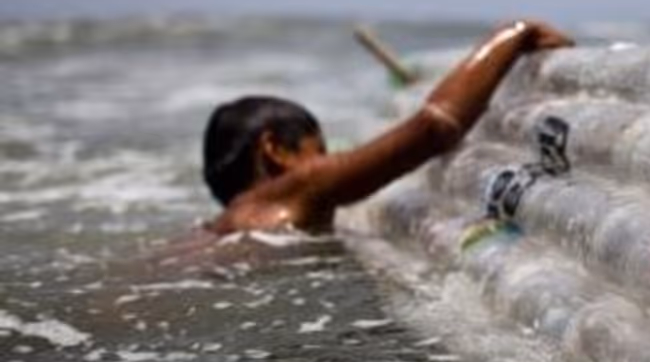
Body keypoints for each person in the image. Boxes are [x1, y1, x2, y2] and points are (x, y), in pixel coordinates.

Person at [201, 19, 573, 234]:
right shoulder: (300, 187)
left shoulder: (226, 225)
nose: (330, 165)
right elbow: (434, 129)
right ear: (275, 151)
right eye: (320, 151)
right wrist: (513, 36)